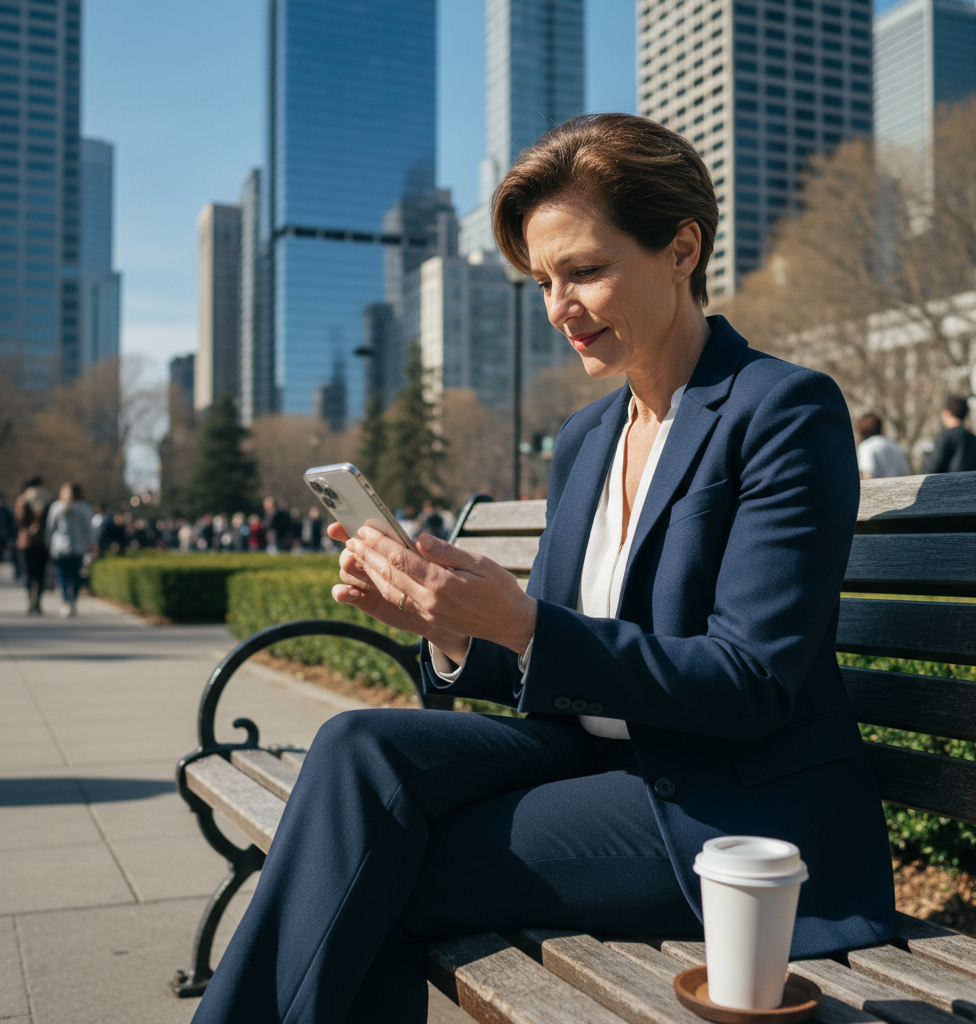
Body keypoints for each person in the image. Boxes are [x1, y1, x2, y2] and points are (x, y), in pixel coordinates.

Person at [193, 114, 893, 1024]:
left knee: (377, 875)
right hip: (590, 763)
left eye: (586, 271)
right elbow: (554, 661)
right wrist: (449, 626)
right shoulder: (587, 438)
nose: (559, 306)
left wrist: (521, 622)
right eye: (543, 281)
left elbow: (751, 681)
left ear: (683, 248)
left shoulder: (781, 410)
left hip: (724, 803)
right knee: (356, 747)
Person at [45, 482, 93, 617]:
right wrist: (91, 543)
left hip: (65, 547)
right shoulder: (81, 508)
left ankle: (67, 601)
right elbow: (88, 529)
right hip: (73, 548)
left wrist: (48, 543)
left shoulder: (59, 507)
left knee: (65, 576)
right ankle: (70, 600)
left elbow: (50, 528)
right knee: (73, 576)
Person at [14, 477, 51, 614]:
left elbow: (19, 519)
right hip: (41, 541)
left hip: (27, 542)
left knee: (29, 573)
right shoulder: (47, 499)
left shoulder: (22, 500)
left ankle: (31, 600)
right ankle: (37, 600)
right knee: (40, 574)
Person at [922, 396, 976, 473]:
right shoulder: (975, 440)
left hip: (950, 484)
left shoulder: (945, 438)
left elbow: (932, 468)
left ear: (947, 413)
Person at [855, 413, 910, 480]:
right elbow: (905, 473)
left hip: (877, 489)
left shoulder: (866, 446)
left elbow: (868, 475)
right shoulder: (896, 446)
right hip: (899, 489)